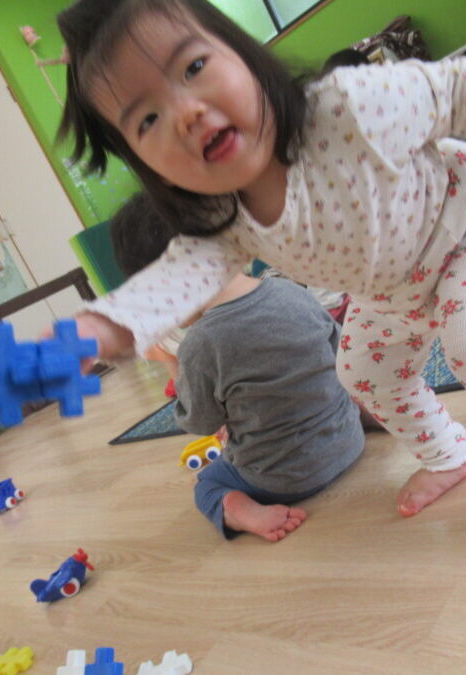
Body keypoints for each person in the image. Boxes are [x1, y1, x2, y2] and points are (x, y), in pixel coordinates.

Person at [56, 0, 466, 556]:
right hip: (391, 290)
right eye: (148, 118)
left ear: (247, 57)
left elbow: (456, 90)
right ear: (149, 168)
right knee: (362, 371)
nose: (185, 113)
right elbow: (170, 286)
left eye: (193, 67)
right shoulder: (222, 219)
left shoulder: (344, 108)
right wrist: (90, 336)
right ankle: (448, 453)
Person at [109, 192, 365, 542]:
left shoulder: (199, 345)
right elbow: (341, 357)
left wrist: (175, 368)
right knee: (342, 397)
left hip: (282, 480)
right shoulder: (292, 292)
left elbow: (200, 422)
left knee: (207, 483)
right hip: (350, 442)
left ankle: (238, 509)